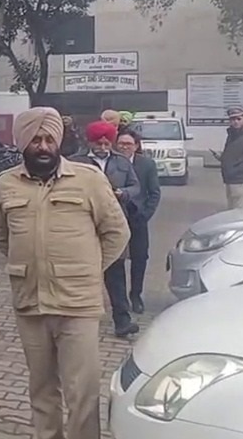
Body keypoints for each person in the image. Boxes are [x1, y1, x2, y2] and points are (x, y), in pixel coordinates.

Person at [0, 107, 129, 439]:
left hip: (77, 305)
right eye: (35, 139)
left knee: (82, 393)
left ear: (59, 142)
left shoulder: (88, 179)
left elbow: (117, 232)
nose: (43, 146)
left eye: (49, 139)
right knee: (41, 390)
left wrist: (88, 269)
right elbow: (2, 236)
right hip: (30, 303)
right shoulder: (5, 184)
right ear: (23, 143)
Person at [69, 120, 141, 338]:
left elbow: (136, 186)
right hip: (84, 224)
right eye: (98, 143)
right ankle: (73, 317)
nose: (102, 147)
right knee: (80, 273)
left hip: (112, 224)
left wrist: (124, 193)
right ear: (90, 142)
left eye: (106, 143)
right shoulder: (75, 162)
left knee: (116, 274)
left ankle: (122, 321)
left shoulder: (122, 162)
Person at [115, 131, 161, 314]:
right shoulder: (112, 163)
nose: (124, 147)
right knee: (116, 260)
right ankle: (119, 300)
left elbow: (154, 192)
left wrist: (146, 214)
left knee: (139, 258)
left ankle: (136, 295)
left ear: (136, 145)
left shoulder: (146, 164)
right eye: (121, 143)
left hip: (138, 218)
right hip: (116, 218)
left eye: (128, 144)